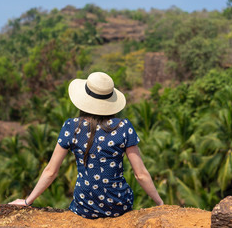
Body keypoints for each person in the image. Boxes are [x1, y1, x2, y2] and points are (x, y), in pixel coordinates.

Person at [9, 72, 163, 218]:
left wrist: (27, 201)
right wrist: (161, 204)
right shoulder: (123, 127)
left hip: (84, 207)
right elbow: (140, 174)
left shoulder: (71, 127)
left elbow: (51, 171)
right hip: (118, 205)